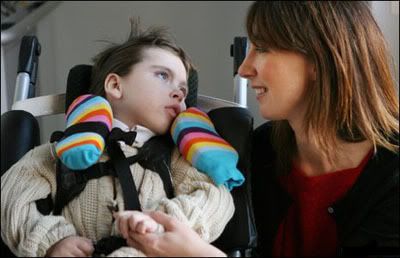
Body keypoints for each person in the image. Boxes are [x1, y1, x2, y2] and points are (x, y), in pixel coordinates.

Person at [124, 1, 399, 257]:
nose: (244, 69)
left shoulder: (391, 174)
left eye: (264, 48)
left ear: (319, 58)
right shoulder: (258, 152)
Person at [0, 19, 235, 257]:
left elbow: (215, 197)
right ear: (115, 85)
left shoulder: (175, 157)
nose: (178, 93)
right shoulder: (61, 152)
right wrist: (51, 243)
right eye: (163, 76)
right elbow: (10, 196)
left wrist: (162, 225)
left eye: (183, 90)